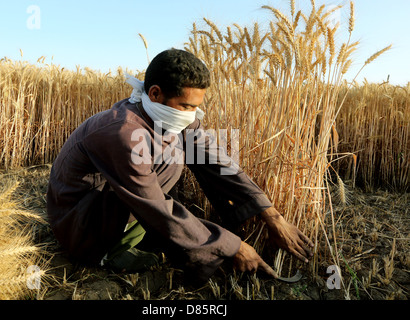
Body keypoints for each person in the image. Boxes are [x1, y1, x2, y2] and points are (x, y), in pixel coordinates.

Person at [46, 48, 314, 284]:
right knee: (175, 163)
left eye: (195, 108)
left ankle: (159, 237)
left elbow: (217, 162)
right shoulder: (122, 132)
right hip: (84, 226)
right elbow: (155, 204)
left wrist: (273, 217)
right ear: (155, 93)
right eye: (184, 105)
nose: (190, 115)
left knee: (188, 151)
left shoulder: (171, 117)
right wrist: (233, 247)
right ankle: (110, 253)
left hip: (118, 206)